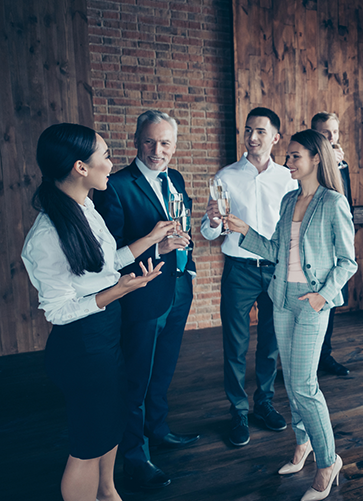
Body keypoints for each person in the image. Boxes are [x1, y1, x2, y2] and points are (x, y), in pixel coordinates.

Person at [21, 123, 172, 501]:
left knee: (111, 426)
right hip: (81, 347)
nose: (111, 162)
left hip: (106, 336)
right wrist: (117, 291)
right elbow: (58, 311)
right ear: (80, 168)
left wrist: (152, 240)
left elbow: (104, 267)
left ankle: (108, 492)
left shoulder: (84, 206)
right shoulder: (47, 234)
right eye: (104, 155)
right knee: (87, 446)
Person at [225, 129, 356, 501]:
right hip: (281, 299)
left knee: (303, 385)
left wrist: (323, 297)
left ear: (316, 158)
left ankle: (328, 461)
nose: (288, 163)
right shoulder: (288, 200)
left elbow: (348, 262)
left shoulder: (333, 202)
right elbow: (275, 251)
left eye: (295, 156)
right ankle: (303, 444)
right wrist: (243, 230)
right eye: (288, 157)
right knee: (294, 384)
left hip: (313, 302)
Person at [93, 110, 199, 491]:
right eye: (151, 142)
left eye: (166, 143)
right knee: (136, 379)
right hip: (141, 294)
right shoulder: (116, 185)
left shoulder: (177, 179)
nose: (158, 150)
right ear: (137, 140)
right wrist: (156, 246)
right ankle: (135, 458)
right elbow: (109, 254)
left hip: (178, 289)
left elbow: (181, 223)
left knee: (163, 372)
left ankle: (159, 431)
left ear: (174, 145)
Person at [201, 107, 297, 446]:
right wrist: (213, 220)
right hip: (239, 269)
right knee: (235, 345)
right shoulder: (226, 176)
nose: (252, 137)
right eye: (248, 131)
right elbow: (209, 232)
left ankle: (264, 403)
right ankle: (238, 411)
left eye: (260, 131)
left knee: (271, 344)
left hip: (275, 270)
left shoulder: (289, 179)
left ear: (275, 137)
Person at [311, 111, 352, 376]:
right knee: (310, 306)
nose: (330, 137)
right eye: (324, 133)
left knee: (330, 302)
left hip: (335, 246)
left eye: (334, 132)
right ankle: (307, 360)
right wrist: (326, 165)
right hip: (312, 246)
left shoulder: (342, 164)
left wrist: (336, 166)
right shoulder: (304, 160)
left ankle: (324, 355)